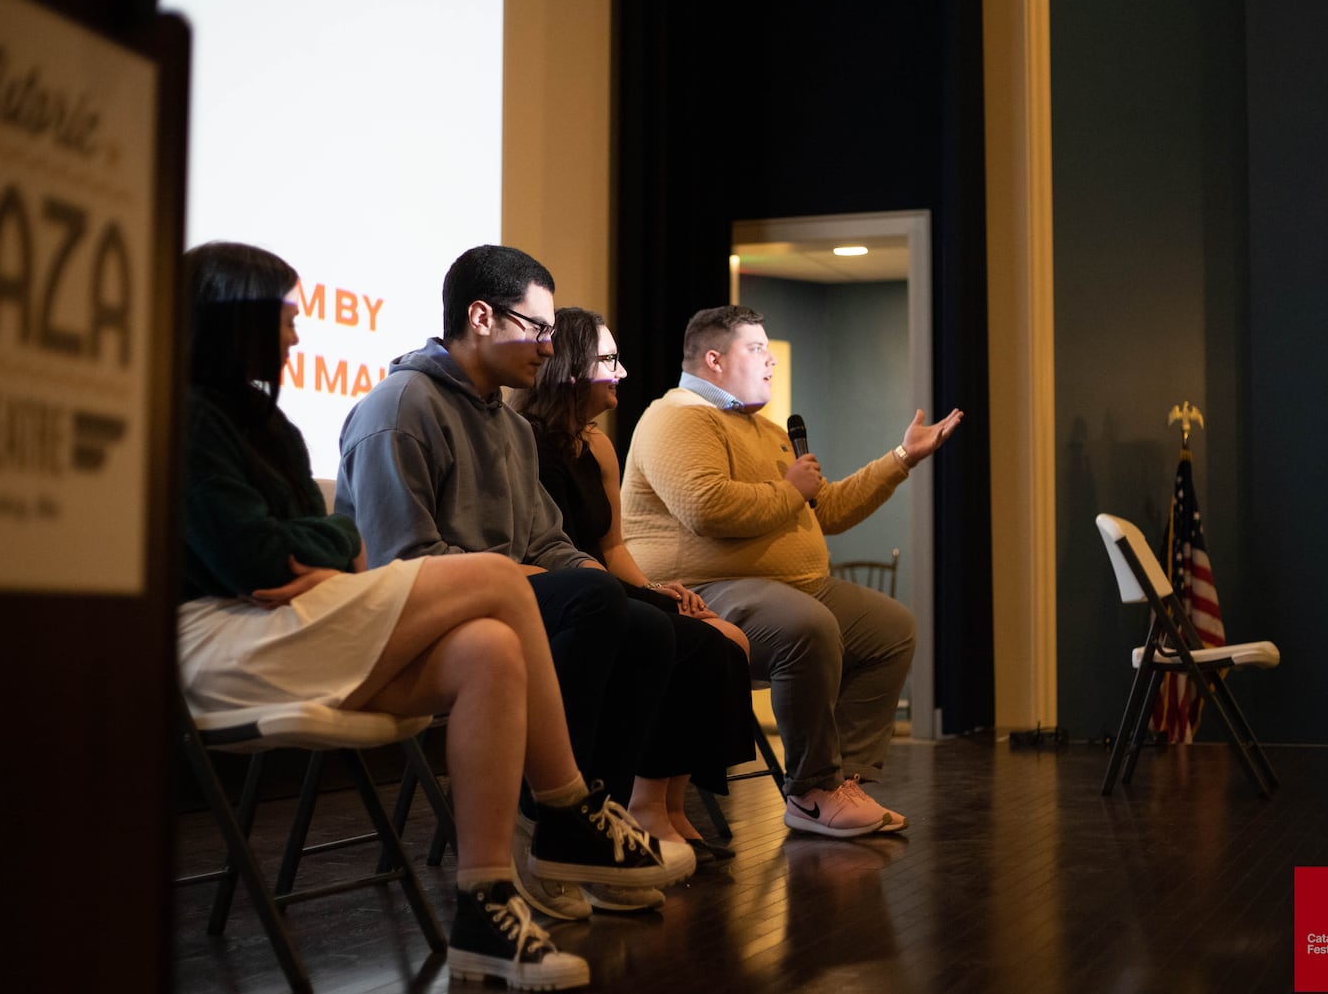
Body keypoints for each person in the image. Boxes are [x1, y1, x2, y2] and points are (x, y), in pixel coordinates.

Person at [177, 241, 676, 993]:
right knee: (503, 586)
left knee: (489, 650)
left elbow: (336, 537)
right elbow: (257, 557)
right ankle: (568, 805)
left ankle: (486, 902)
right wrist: (306, 550)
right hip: (224, 637)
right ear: (230, 321)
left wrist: (308, 548)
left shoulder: (270, 426)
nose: (296, 336)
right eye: (282, 318)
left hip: (298, 617)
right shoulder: (186, 418)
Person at [336, 244, 693, 917]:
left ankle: (588, 823)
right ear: (480, 317)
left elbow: (547, 541)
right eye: (537, 327)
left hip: (500, 603)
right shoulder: (399, 406)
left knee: (648, 625)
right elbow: (399, 560)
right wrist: (568, 584)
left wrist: (598, 577)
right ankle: (542, 817)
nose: (548, 346)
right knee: (593, 600)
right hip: (415, 617)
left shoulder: (509, 427)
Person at [621, 305, 964, 838]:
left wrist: (901, 458)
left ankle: (839, 784)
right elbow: (705, 508)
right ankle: (810, 791)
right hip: (702, 594)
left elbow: (823, 509)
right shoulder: (678, 416)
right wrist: (789, 490)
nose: (770, 363)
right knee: (806, 625)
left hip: (792, 587)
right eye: (756, 350)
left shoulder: (766, 429)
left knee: (890, 629)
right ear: (713, 359)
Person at [511, 306, 755, 862]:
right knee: (689, 642)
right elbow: (539, 551)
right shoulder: (519, 440)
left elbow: (613, 547)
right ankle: (641, 802)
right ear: (573, 368)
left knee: (723, 637)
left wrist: (657, 587)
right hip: (562, 594)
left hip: (598, 581)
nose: (621, 373)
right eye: (609, 361)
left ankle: (668, 803)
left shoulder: (596, 445)